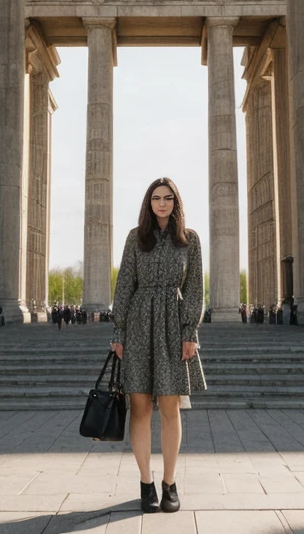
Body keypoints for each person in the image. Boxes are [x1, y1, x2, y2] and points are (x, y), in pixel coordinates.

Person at [110, 177, 206, 515]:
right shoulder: (135, 239)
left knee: (170, 407)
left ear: (175, 202)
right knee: (140, 409)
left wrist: (190, 332)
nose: (161, 204)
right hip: (138, 324)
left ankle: (169, 483)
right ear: (148, 203)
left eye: (167, 198)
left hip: (172, 327)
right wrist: (119, 331)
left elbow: (195, 288)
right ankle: (145, 483)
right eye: (155, 198)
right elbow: (124, 284)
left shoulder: (189, 240)